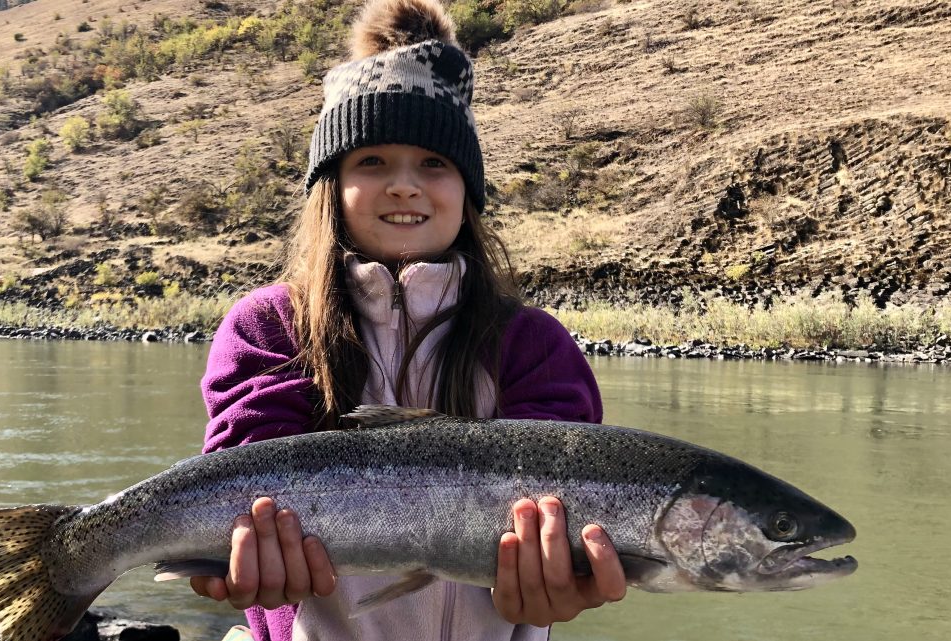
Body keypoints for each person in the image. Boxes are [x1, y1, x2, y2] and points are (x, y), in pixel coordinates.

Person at [191, 0, 627, 638]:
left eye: (434, 162)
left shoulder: (532, 343)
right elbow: (242, 482)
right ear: (331, 187)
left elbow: (567, 503)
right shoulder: (269, 325)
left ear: (467, 190)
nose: (404, 185)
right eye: (371, 162)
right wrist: (248, 555)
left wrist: (567, 581)